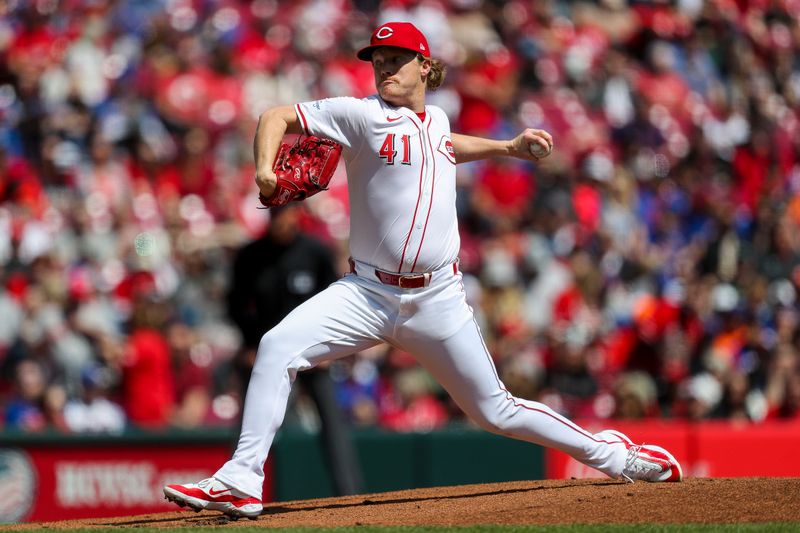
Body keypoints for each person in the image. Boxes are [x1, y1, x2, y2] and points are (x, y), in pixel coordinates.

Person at [164, 22, 682, 520]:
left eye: (396, 59)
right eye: (378, 60)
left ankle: (617, 458)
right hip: (365, 293)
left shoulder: (435, 121)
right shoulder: (359, 115)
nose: (384, 67)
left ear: (425, 66)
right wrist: (263, 168)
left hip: (437, 298)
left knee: (494, 411)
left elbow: (446, 146)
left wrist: (506, 148)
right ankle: (241, 480)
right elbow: (275, 116)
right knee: (277, 346)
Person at [225, 203, 363, 496]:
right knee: (253, 425)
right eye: (274, 213)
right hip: (265, 355)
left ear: (296, 213)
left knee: (333, 425)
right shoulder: (251, 255)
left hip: (312, 355)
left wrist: (329, 349)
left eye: (283, 212)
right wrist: (249, 344)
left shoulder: (315, 253)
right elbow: (235, 305)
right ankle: (235, 490)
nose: (278, 219)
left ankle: (350, 495)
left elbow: (336, 302)